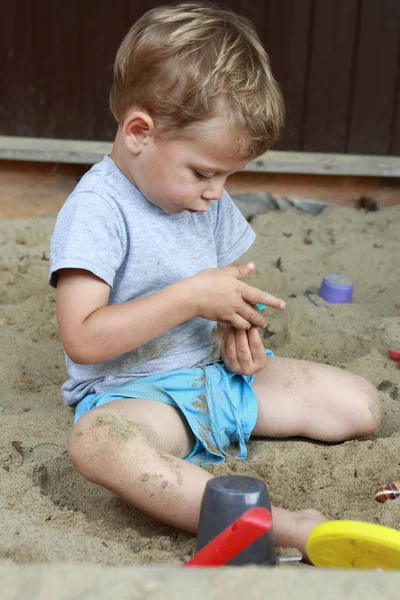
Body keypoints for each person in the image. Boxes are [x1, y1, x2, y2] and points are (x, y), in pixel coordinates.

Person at [49, 2, 380, 559]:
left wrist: (239, 334)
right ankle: (274, 525)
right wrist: (188, 298)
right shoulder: (97, 211)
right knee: (101, 445)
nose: (216, 192)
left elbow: (225, 292)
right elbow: (81, 336)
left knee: (360, 406)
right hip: (137, 396)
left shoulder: (207, 200)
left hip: (218, 380)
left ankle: (242, 456)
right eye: (204, 172)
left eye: (229, 175)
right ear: (139, 132)